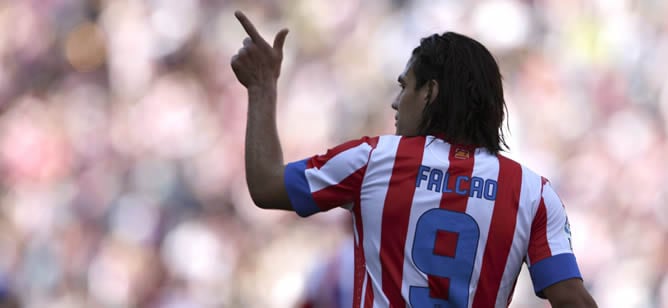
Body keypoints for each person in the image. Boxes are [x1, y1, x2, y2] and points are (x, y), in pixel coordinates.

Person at [230, 10, 598, 308]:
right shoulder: (533, 193)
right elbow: (571, 300)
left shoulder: (374, 160)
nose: (395, 101)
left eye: (404, 86)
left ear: (430, 93)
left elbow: (265, 185)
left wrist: (262, 87)